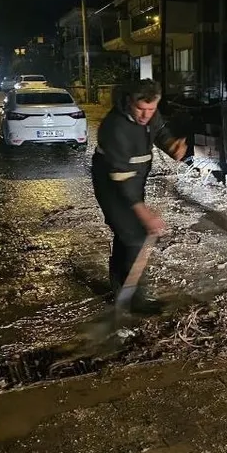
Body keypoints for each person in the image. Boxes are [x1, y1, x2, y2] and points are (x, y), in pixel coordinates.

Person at [92, 79, 187, 313]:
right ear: (129, 102)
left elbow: (159, 130)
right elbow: (123, 183)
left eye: (151, 109)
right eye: (140, 109)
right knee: (135, 235)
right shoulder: (115, 128)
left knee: (126, 234)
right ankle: (136, 301)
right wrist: (144, 213)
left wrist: (171, 144)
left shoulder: (150, 115)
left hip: (135, 178)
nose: (146, 115)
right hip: (112, 185)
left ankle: (118, 287)